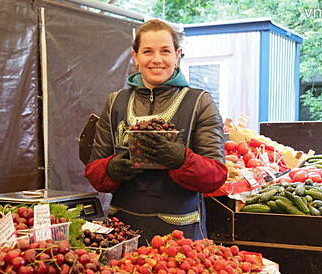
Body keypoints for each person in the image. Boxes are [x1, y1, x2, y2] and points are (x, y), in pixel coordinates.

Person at [84, 19, 227, 243]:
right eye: (148, 51)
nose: (157, 59)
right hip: (122, 231)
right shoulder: (115, 102)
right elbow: (94, 169)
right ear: (135, 56)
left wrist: (182, 159)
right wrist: (110, 168)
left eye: (165, 51)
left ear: (177, 54)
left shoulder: (199, 102)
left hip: (180, 236)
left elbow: (216, 175)